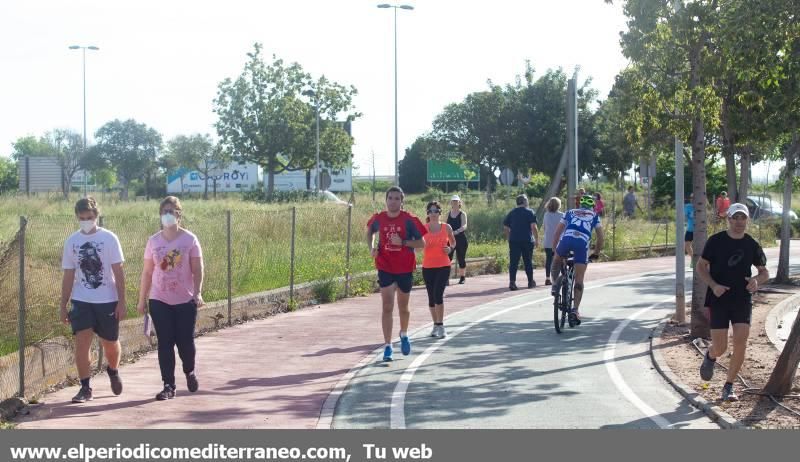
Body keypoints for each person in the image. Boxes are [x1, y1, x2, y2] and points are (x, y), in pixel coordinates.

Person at [697, 203, 768, 402]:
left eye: (742, 218)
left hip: (741, 299)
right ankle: (711, 355)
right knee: (721, 348)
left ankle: (729, 385)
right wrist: (713, 285)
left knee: (741, 341)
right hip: (719, 298)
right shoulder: (716, 241)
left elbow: (764, 273)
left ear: (747, 220)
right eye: (735, 218)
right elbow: (701, 267)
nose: (739, 222)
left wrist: (756, 281)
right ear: (728, 219)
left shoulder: (751, 244)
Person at [137, 196, 205, 401]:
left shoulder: (189, 239)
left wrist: (198, 292)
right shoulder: (153, 241)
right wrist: (142, 299)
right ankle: (168, 385)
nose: (168, 215)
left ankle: (189, 371)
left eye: (172, 211)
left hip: (185, 299)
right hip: (159, 299)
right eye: (164, 211)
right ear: (160, 214)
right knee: (165, 343)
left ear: (179, 214)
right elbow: (148, 272)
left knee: (185, 342)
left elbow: (198, 268)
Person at [60, 197, 126, 403]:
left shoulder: (109, 239)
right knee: (82, 343)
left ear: (96, 216)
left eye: (89, 217)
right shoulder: (72, 241)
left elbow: (118, 272)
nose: (86, 221)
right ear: (77, 217)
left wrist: (122, 301)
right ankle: (85, 387)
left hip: (107, 300)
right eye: (82, 218)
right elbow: (69, 275)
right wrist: (63, 305)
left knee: (110, 343)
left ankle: (113, 370)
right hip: (81, 300)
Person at [367, 186, 427, 361]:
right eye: (390, 198)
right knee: (387, 306)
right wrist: (371, 247)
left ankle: (404, 333)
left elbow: (421, 243)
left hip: (405, 267)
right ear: (386, 200)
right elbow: (370, 231)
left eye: (396, 199)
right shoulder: (379, 218)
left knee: (403, 308)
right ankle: (387, 346)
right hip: (385, 266)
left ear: (402, 201)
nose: (393, 202)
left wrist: (403, 242)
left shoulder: (410, 220)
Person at [550, 195, 604, 325]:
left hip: (566, 240)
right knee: (579, 279)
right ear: (592, 205)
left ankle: (554, 284)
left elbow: (557, 232)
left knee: (557, 260)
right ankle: (575, 310)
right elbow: (601, 238)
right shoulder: (595, 216)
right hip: (582, 244)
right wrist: (596, 253)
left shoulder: (569, 212)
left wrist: (554, 250)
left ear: (579, 204)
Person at [422, 201, 456, 339]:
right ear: (428, 214)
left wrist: (450, 248)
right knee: (431, 298)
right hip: (428, 266)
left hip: (443, 265)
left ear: (440, 213)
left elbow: (453, 242)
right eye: (431, 211)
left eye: (436, 211)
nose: (433, 213)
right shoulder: (423, 228)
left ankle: (441, 325)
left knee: (438, 294)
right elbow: (418, 246)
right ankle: (435, 325)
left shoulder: (446, 227)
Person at [503, 194, 539, 291]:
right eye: (527, 200)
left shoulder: (511, 213)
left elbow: (506, 227)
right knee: (528, 261)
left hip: (514, 240)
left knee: (514, 262)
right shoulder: (530, 212)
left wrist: (509, 237)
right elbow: (533, 227)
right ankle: (530, 281)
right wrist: (537, 239)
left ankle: (512, 282)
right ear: (524, 202)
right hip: (527, 240)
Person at [447, 195, 469, 284]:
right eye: (453, 201)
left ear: (459, 203)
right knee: (447, 259)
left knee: (461, 258)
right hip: (450, 239)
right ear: (451, 203)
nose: (455, 203)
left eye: (456, 201)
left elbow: (464, 226)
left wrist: (456, 232)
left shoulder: (462, 214)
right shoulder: (448, 214)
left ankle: (462, 277)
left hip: (460, 239)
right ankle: (446, 278)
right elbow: (444, 224)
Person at [542, 197, 564, 286]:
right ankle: (562, 276)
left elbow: (544, 228)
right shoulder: (562, 215)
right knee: (561, 259)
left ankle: (547, 278)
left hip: (548, 241)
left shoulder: (546, 215)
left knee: (549, 260)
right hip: (559, 241)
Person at [684, 193, 694, 258]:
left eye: (694, 198)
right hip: (690, 229)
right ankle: (693, 259)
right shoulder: (688, 206)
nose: (692, 199)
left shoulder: (702, 206)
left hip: (700, 230)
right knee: (687, 245)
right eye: (691, 198)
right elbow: (685, 217)